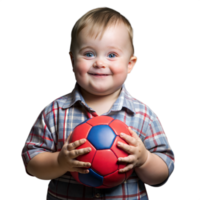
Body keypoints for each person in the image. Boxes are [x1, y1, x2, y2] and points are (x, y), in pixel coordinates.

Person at [19, 6, 177, 200]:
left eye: (111, 55)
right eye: (89, 54)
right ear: (71, 60)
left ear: (130, 64)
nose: (99, 63)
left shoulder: (144, 115)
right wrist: (60, 161)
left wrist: (144, 159)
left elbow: (164, 171)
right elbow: (31, 162)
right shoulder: (54, 112)